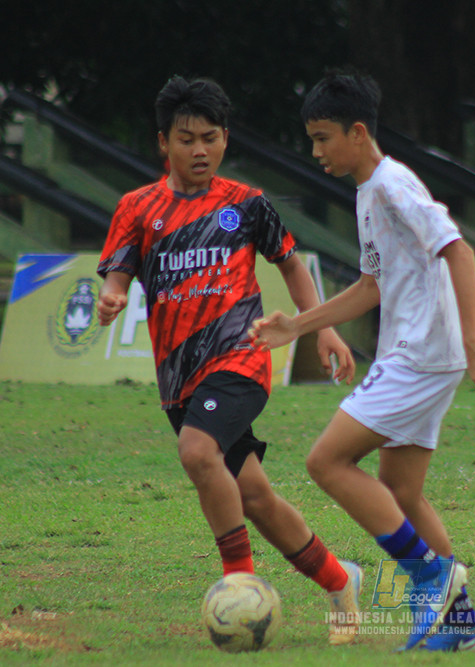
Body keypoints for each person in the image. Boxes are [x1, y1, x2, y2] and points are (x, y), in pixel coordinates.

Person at [95, 75, 363, 646]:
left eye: (211, 138)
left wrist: (322, 328)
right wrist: (112, 296)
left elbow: (291, 265)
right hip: (179, 378)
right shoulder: (138, 208)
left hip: (242, 359)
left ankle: (238, 584)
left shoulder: (246, 203)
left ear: (225, 139)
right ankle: (341, 582)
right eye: (187, 139)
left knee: (197, 452)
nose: (200, 150)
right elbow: (117, 271)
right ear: (163, 142)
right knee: (255, 498)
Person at [249, 71, 475, 652]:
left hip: (421, 356)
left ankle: (432, 577)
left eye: (323, 138)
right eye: (312, 140)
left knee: (326, 461)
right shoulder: (369, 192)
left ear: (358, 133)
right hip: (420, 355)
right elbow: (371, 287)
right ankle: (461, 625)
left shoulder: (392, 185)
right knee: (401, 492)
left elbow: (459, 251)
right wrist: (300, 326)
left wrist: (473, 340)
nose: (316, 151)